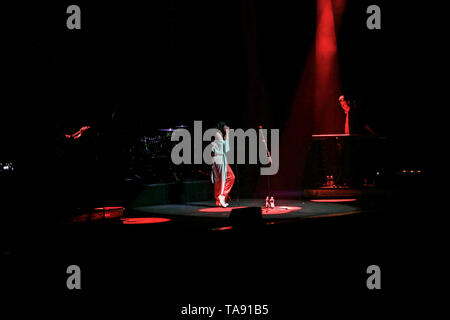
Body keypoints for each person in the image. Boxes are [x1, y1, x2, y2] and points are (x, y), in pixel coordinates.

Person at [211, 122, 235, 207]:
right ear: (222, 126)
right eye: (225, 126)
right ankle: (221, 196)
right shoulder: (218, 133)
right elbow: (226, 148)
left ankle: (219, 198)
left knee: (228, 177)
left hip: (219, 158)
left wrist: (226, 136)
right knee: (222, 179)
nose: (227, 128)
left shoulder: (218, 134)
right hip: (219, 158)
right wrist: (227, 134)